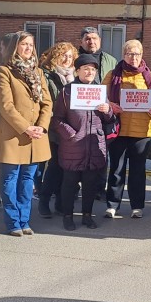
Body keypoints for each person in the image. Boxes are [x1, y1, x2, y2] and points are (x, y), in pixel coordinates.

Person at [0, 31, 52, 236]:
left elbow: (47, 102)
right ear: (14, 47)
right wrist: (25, 127)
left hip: (35, 136)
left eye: (30, 44)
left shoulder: (38, 72)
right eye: (24, 44)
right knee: (10, 179)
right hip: (13, 135)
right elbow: (6, 106)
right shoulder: (4, 71)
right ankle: (13, 222)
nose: (28, 48)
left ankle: (25, 220)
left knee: (28, 180)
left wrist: (41, 127)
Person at [103, 39, 151, 218]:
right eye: (130, 54)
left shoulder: (149, 76)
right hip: (118, 129)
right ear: (124, 55)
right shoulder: (112, 74)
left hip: (142, 131)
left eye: (137, 54)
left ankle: (137, 206)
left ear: (142, 55)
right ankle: (112, 205)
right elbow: (101, 96)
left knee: (138, 171)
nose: (134, 57)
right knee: (116, 169)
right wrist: (111, 105)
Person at [53, 52, 113, 230]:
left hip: (94, 146)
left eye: (93, 70)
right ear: (77, 70)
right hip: (73, 146)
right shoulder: (67, 92)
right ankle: (68, 215)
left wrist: (107, 110)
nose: (90, 72)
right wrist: (71, 134)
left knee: (90, 185)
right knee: (69, 184)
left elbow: (110, 119)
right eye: (85, 69)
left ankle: (87, 215)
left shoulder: (99, 91)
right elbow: (57, 119)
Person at [37, 42, 78, 218]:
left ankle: (61, 203)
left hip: (72, 129)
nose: (67, 59)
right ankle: (44, 201)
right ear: (55, 56)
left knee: (67, 169)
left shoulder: (75, 77)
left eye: (70, 56)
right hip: (54, 128)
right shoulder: (46, 75)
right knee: (54, 168)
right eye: (63, 55)